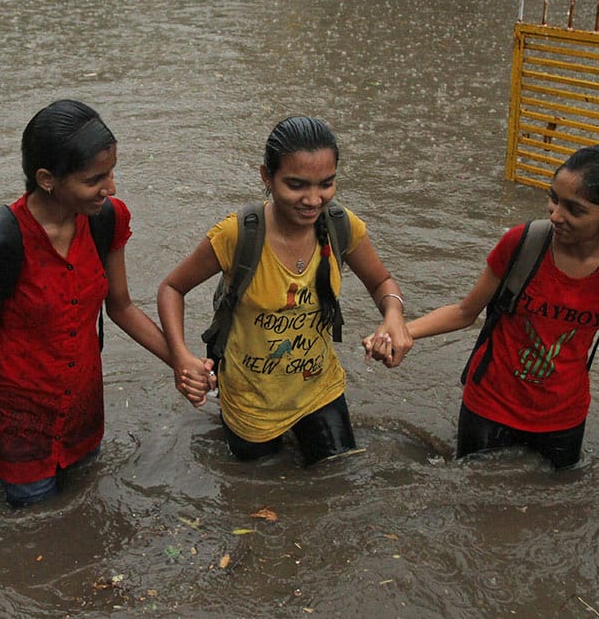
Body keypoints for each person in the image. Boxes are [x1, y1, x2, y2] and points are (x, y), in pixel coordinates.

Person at [365, 144, 599, 512]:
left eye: (575, 209)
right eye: (553, 200)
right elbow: (466, 311)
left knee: (552, 513)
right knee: (471, 506)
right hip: (488, 409)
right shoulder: (524, 243)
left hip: (563, 420)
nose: (557, 215)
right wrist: (399, 332)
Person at [0, 100, 172, 506]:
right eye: (94, 178)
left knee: (82, 516)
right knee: (33, 525)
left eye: (112, 172)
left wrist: (181, 360)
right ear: (47, 179)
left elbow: (121, 307)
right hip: (18, 426)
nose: (111, 187)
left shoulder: (107, 219)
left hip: (84, 415)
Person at [157, 116, 412, 465]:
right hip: (251, 401)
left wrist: (393, 316)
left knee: (338, 479)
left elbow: (382, 283)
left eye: (326, 184)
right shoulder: (238, 235)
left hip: (320, 388)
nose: (313, 199)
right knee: (259, 496)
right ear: (266, 176)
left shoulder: (340, 225)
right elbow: (172, 288)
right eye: (296, 185)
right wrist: (181, 357)